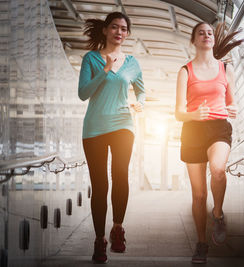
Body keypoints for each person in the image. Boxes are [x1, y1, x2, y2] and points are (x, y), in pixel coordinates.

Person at [175, 22, 244, 264]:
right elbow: (178, 112)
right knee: (198, 195)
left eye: (209, 33)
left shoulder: (226, 69)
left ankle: (218, 214)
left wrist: (233, 109)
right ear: (193, 40)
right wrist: (194, 114)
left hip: (218, 128)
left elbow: (231, 102)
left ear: (213, 40)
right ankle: (201, 243)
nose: (206, 35)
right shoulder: (185, 70)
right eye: (201, 33)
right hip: (192, 130)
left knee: (217, 169)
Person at [78, 12, 145, 263]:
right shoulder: (91, 59)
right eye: (115, 27)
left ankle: (117, 228)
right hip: (94, 127)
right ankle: (99, 239)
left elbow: (141, 90)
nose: (119, 31)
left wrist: (139, 103)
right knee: (100, 185)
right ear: (105, 30)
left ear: (127, 34)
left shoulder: (132, 63)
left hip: (122, 124)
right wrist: (105, 69)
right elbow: (83, 93)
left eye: (124, 28)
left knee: (120, 174)